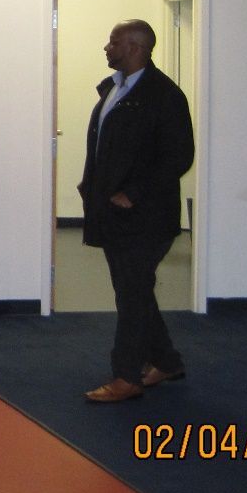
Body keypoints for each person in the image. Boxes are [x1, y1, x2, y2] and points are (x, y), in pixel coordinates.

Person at [78, 20, 195, 402]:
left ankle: (126, 377)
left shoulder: (164, 95)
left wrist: (134, 192)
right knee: (135, 290)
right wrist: (91, 187)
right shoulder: (114, 88)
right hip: (114, 213)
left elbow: (178, 155)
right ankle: (166, 361)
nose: (106, 47)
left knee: (131, 295)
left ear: (134, 47)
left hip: (147, 217)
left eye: (113, 42)